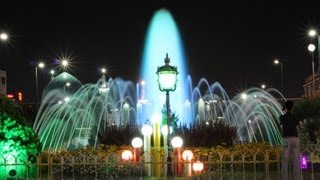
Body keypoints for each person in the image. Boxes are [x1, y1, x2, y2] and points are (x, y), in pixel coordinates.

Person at [279, 100, 301, 180]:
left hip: (285, 139)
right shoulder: (295, 116)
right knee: (296, 161)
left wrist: (284, 111)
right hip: (294, 139)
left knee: (284, 162)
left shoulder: (282, 117)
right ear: (292, 108)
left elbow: (281, 123)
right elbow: (298, 124)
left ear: (285, 107)